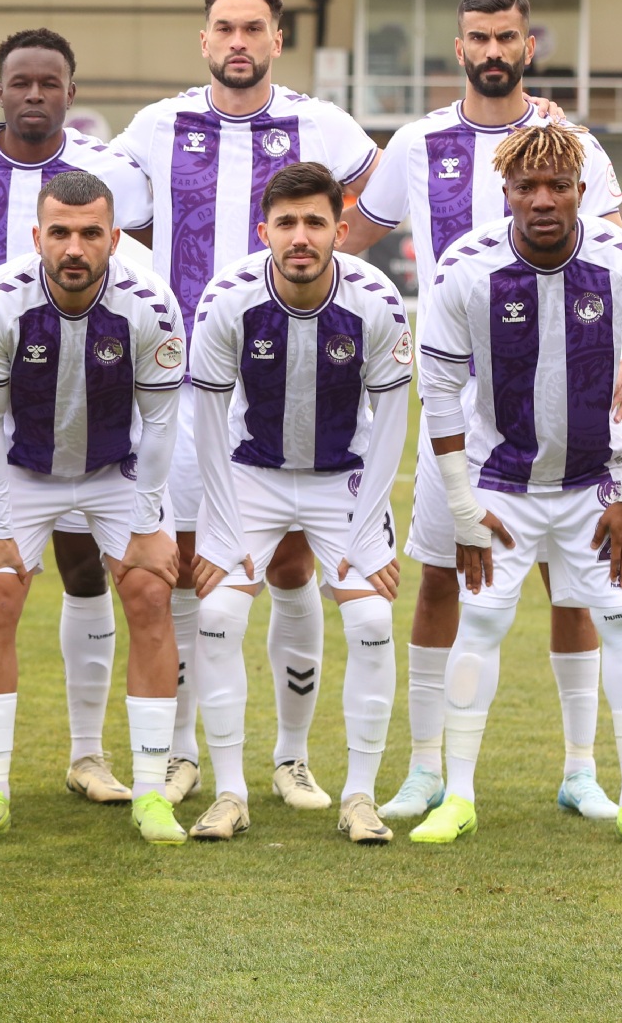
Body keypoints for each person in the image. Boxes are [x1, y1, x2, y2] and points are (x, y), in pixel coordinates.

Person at [0, 0, 382, 811]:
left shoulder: (323, 123)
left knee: (291, 565)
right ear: (204, 39)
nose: (239, 42)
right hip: (183, 384)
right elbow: (78, 187)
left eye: (254, 27)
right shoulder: (156, 125)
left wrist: (332, 268)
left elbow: (374, 199)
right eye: (224, 28)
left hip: (292, 368)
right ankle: (178, 753)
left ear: (277, 40)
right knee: (182, 570)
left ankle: (291, 758)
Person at [341, 0, 622, 825]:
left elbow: (617, 250)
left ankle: (580, 768)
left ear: (528, 45)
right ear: (458, 48)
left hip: (567, 387)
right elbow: (351, 233)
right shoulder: (417, 140)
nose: (494, 50)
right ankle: (425, 769)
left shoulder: (573, 144)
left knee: (570, 582)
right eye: (480, 37)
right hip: (457, 399)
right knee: (440, 573)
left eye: (507, 36)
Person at [408, 121, 622, 852]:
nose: (543, 199)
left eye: (558, 185)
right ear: (506, 193)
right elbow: (435, 387)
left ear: (581, 191)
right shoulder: (466, 266)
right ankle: (458, 795)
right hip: (502, 481)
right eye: (527, 186)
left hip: (596, 482)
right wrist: (462, 504)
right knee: (483, 622)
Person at [0, 27, 155, 807]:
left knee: (86, 566)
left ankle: (88, 754)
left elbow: (140, 258)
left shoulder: (110, 168)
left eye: (48, 83)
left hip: (91, 391)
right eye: (19, 81)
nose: (34, 94)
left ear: (71, 90)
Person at [0, 170, 188, 845]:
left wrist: (146, 522)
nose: (75, 248)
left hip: (117, 468)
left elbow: (162, 424)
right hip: (22, 470)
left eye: (90, 233)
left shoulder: (151, 302)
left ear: (115, 238)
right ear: (37, 237)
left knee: (148, 593)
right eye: (60, 233)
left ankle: (151, 794)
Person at [189, 163, 412, 844]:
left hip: (340, 478)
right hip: (251, 475)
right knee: (220, 614)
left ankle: (359, 796)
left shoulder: (376, 298)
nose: (301, 236)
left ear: (340, 229)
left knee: (373, 619)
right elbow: (206, 416)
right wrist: (220, 531)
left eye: (315, 221)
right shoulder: (227, 297)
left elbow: (395, 418)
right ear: (265, 231)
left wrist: (371, 530)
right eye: (286, 223)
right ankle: (230, 793)